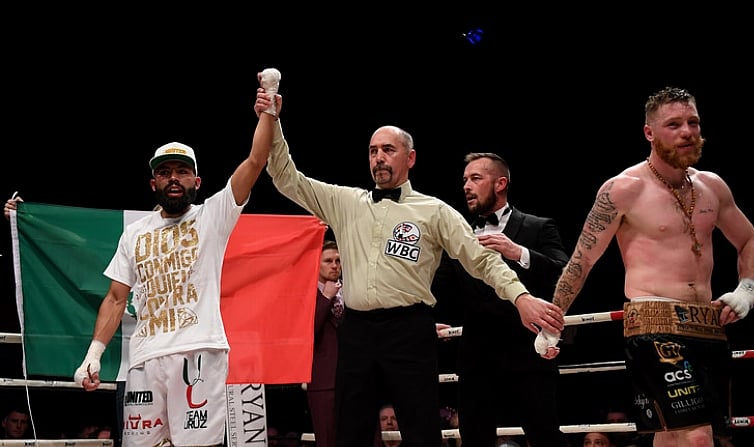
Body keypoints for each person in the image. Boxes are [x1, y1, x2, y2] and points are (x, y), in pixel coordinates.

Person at [254, 74, 565, 447]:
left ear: (410, 157)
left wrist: (521, 297)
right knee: (349, 431)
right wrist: (271, 118)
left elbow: (481, 260)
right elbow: (286, 177)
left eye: (388, 149)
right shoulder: (345, 201)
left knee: (421, 431)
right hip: (356, 332)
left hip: (409, 330)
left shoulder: (434, 211)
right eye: (373, 151)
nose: (379, 158)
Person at [537, 86, 754, 447]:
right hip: (654, 320)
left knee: (675, 436)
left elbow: (750, 240)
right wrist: (554, 322)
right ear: (649, 133)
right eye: (674, 124)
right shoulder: (624, 189)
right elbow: (582, 261)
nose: (687, 131)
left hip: (707, 324)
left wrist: (747, 290)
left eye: (693, 122)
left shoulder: (712, 186)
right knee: (696, 438)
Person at [66, 73, 279, 447]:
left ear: (198, 181)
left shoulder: (213, 215)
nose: (173, 179)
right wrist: (93, 355)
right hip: (145, 358)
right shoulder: (135, 233)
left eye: (182, 171)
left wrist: (269, 112)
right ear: (153, 183)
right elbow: (117, 298)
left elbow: (256, 160)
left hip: (199, 351)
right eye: (164, 173)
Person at [431, 152, 570, 446]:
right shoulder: (461, 237)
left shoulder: (537, 226)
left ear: (500, 183)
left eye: (476, 178)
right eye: (465, 180)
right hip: (475, 353)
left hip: (527, 349)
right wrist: (429, 319)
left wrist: (518, 252)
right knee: (474, 436)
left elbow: (564, 273)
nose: (466, 186)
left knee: (543, 434)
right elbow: (438, 286)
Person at [307, 239, 344, 447]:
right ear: (316, 263)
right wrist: (326, 297)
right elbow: (307, 333)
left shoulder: (352, 290)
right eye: (328, 261)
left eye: (338, 260)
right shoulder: (305, 293)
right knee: (328, 441)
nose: (334, 265)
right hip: (323, 382)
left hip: (356, 379)